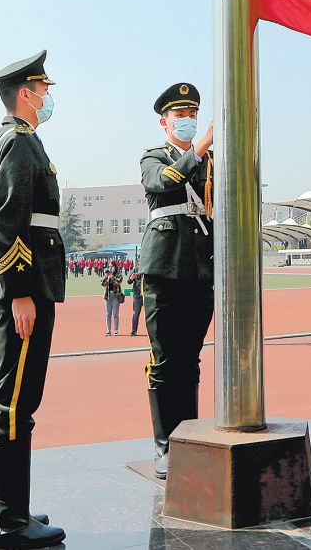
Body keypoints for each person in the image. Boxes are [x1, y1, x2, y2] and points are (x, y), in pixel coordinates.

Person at [0, 50, 65, 548]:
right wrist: (22, 293)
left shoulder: (20, 140)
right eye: (44, 88)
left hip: (22, 285)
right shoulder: (18, 142)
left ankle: (2, 506)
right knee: (14, 402)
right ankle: (9, 521)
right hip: (22, 290)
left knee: (1, 396)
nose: (49, 96)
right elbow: (8, 223)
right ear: (26, 93)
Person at [139, 82, 214, 479]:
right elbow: (163, 182)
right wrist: (198, 149)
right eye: (180, 116)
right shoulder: (153, 156)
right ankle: (165, 444)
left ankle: (188, 437)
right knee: (166, 360)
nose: (187, 122)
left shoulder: (211, 161)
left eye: (193, 115)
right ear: (164, 122)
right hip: (164, 267)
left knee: (190, 360)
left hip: (201, 268)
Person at [102, 261, 123, 335]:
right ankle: (108, 330)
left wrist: (112, 277)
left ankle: (116, 330)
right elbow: (103, 284)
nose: (110, 268)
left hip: (115, 295)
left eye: (112, 266)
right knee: (108, 314)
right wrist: (106, 277)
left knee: (115, 313)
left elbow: (119, 282)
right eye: (109, 266)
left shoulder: (118, 274)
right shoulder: (107, 274)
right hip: (107, 295)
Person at [129, 269, 143, 336]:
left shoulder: (147, 268)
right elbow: (129, 281)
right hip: (137, 295)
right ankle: (134, 330)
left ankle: (151, 332)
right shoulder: (135, 270)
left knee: (149, 314)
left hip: (146, 295)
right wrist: (132, 278)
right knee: (136, 314)